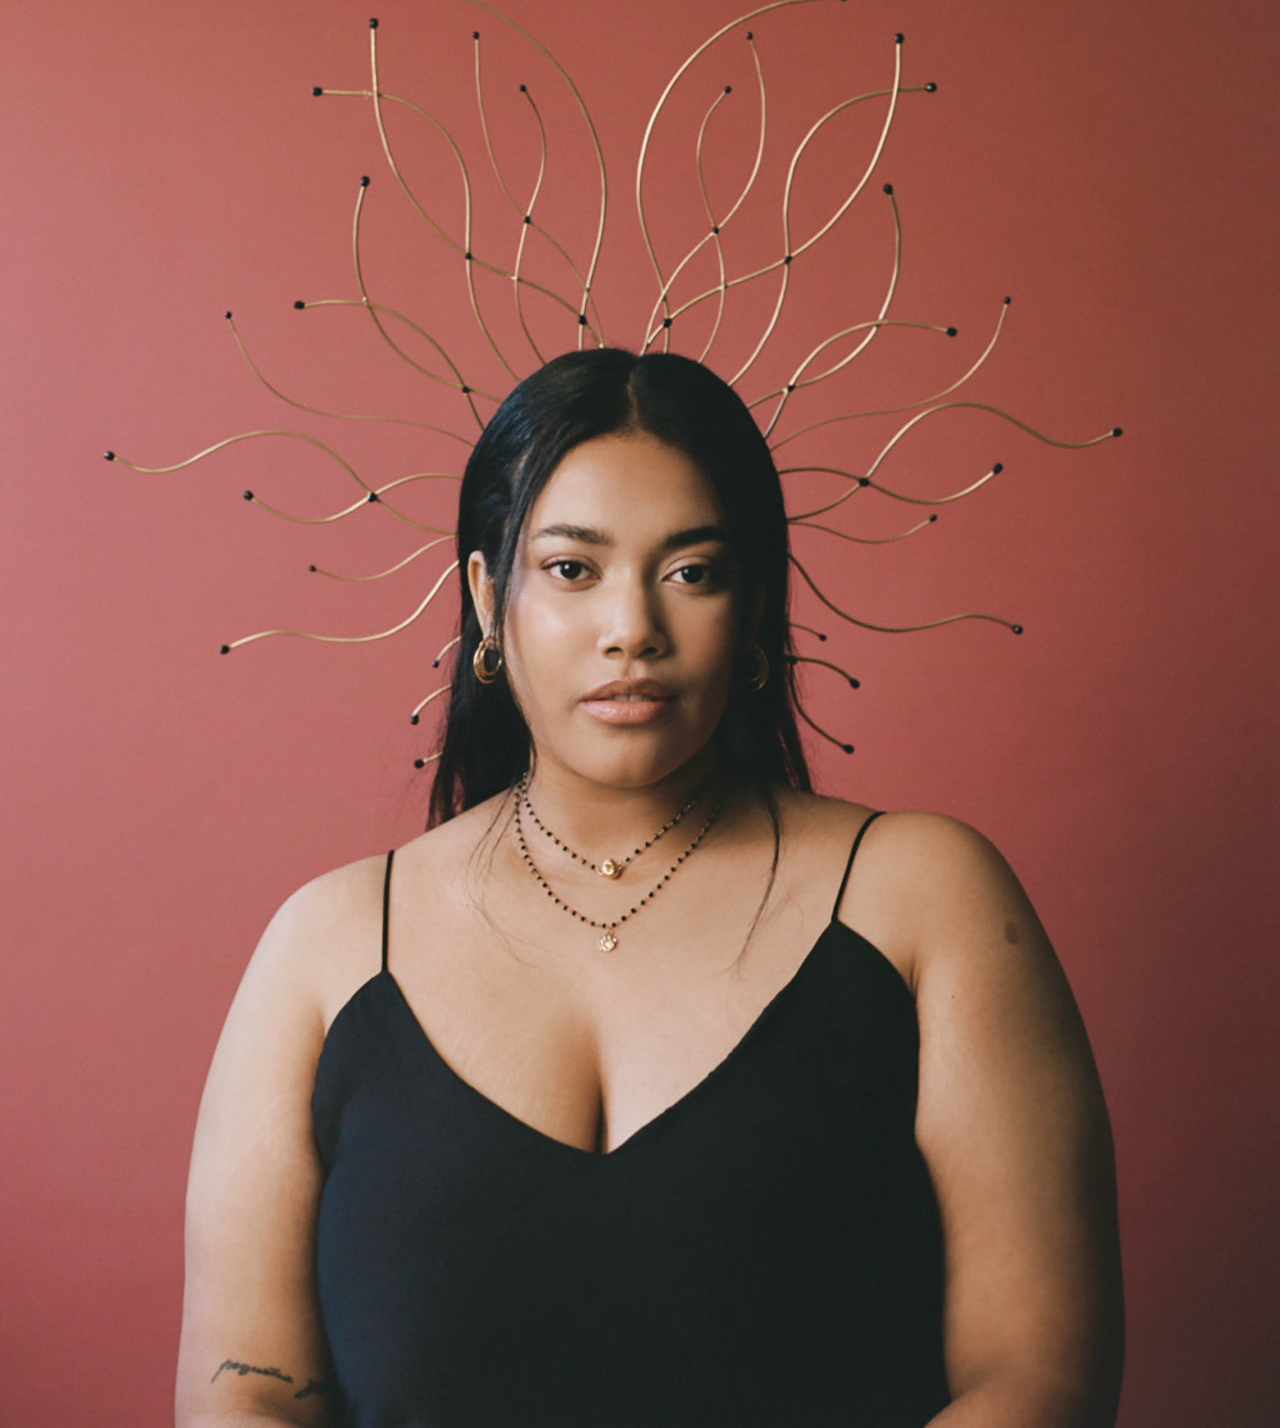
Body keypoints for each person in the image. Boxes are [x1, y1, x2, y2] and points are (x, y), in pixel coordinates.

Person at [175, 349, 1123, 1427]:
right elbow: (243, 1391)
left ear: (754, 602)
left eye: (691, 570)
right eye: (573, 569)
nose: (632, 627)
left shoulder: (920, 901)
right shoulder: (327, 948)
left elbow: (1036, 1378)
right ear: (489, 596)